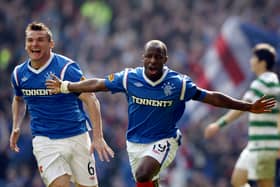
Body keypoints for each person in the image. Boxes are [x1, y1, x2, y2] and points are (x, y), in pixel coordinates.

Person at [46, 40, 276, 187]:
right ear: (143, 58)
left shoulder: (178, 84)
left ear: (165, 59)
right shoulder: (130, 78)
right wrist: (67, 86)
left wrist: (247, 107)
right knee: (146, 180)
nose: (153, 61)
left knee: (144, 173)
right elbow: (98, 84)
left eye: (158, 57)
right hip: (135, 142)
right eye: (149, 56)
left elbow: (212, 97)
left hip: (165, 139)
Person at [9, 22, 114, 187]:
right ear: (25, 44)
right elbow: (18, 99)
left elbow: (91, 99)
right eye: (30, 40)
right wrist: (16, 126)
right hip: (45, 141)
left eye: (40, 40)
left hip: (77, 137)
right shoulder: (18, 74)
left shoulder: (66, 69)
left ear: (51, 44)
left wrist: (98, 137)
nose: (34, 44)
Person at [204, 43, 280, 187]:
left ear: (262, 63)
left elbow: (242, 106)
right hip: (257, 144)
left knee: (245, 182)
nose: (251, 61)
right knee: (238, 181)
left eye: (254, 58)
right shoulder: (271, 82)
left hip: (265, 145)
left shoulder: (263, 83)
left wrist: (218, 124)